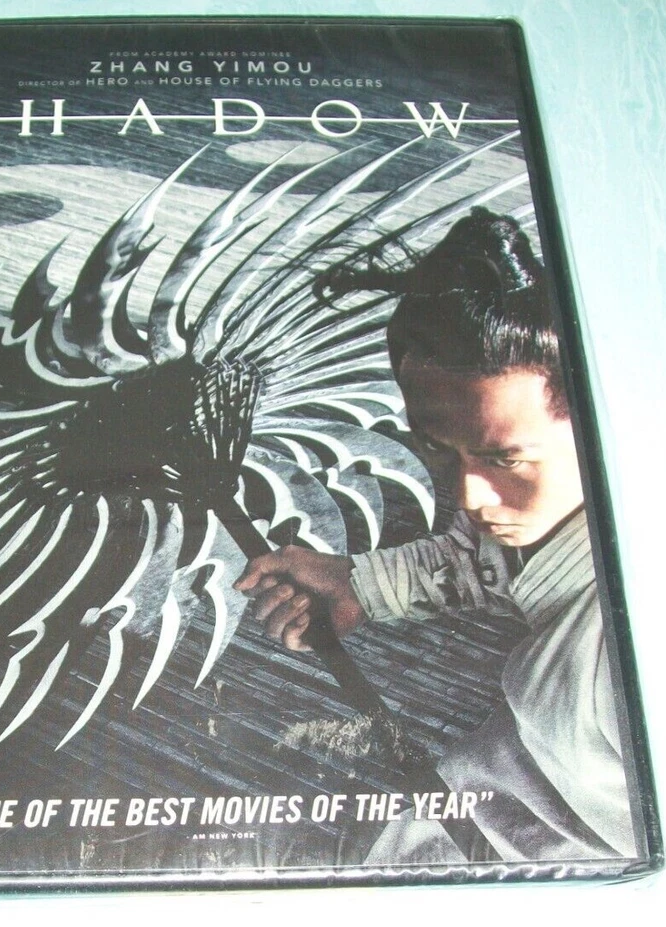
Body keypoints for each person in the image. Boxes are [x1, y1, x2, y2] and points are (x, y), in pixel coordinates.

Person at [235, 208, 637, 865]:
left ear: (600, 415)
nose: (468, 496)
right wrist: (356, 581)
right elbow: (481, 556)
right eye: (437, 449)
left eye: (504, 459)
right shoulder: (556, 511)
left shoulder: (629, 648)